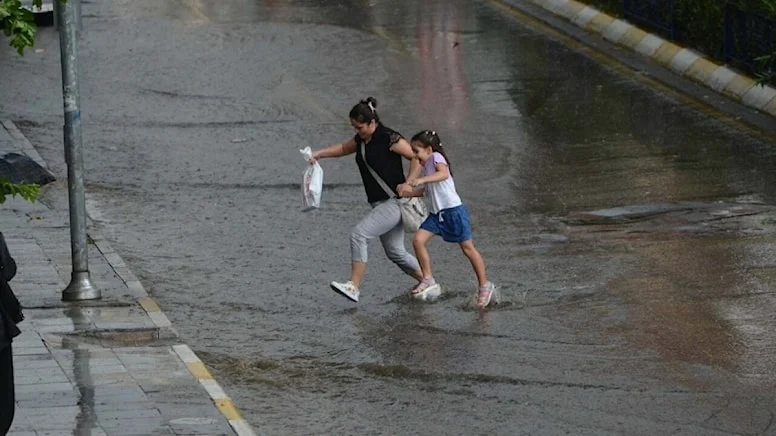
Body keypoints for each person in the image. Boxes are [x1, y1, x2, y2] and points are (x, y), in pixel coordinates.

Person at [310, 97, 423, 302]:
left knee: (359, 235)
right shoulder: (361, 140)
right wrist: (319, 154)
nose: (357, 131)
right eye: (354, 127)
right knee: (395, 252)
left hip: (395, 201)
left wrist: (409, 182)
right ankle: (428, 281)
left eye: (359, 127)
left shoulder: (389, 137)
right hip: (379, 203)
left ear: (372, 122)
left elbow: (416, 157)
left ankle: (353, 286)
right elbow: (343, 148)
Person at [397, 130, 497, 307]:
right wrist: (408, 193)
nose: (415, 156)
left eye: (417, 151)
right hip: (437, 214)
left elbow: (443, 173)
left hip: (453, 211)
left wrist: (421, 180)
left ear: (429, 149)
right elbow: (427, 191)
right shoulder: (428, 167)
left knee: (467, 248)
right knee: (418, 240)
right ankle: (428, 278)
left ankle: (484, 285)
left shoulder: (436, 158)